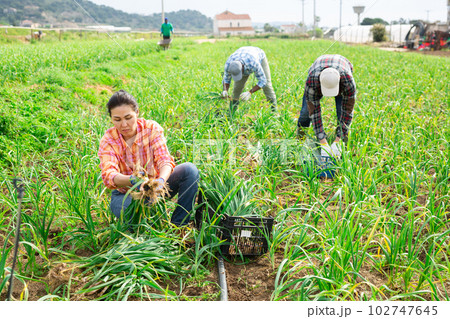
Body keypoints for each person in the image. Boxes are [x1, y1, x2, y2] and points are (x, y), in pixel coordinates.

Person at [98, 90, 199, 227]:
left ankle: (178, 225)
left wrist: (161, 181)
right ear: (111, 118)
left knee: (189, 170)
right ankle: (148, 223)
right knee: (130, 213)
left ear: (137, 112)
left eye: (128, 118)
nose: (124, 124)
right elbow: (109, 175)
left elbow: (164, 159)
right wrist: (133, 180)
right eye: (117, 119)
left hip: (156, 188)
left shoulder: (151, 128)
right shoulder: (109, 140)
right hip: (126, 195)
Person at [297, 54, 356, 158]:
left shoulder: (348, 81)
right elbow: (314, 112)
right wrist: (323, 142)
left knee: (341, 113)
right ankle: (300, 141)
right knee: (305, 114)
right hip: (317, 74)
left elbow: (348, 111)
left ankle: (342, 143)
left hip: (342, 73)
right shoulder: (312, 80)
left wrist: (338, 140)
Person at [222, 46, 277, 113]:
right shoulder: (228, 64)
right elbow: (226, 79)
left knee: (267, 85)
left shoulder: (253, 63)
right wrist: (225, 90)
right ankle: (231, 113)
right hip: (242, 55)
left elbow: (263, 81)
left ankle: (274, 111)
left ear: (242, 68)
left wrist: (250, 92)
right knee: (237, 89)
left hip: (258, 56)